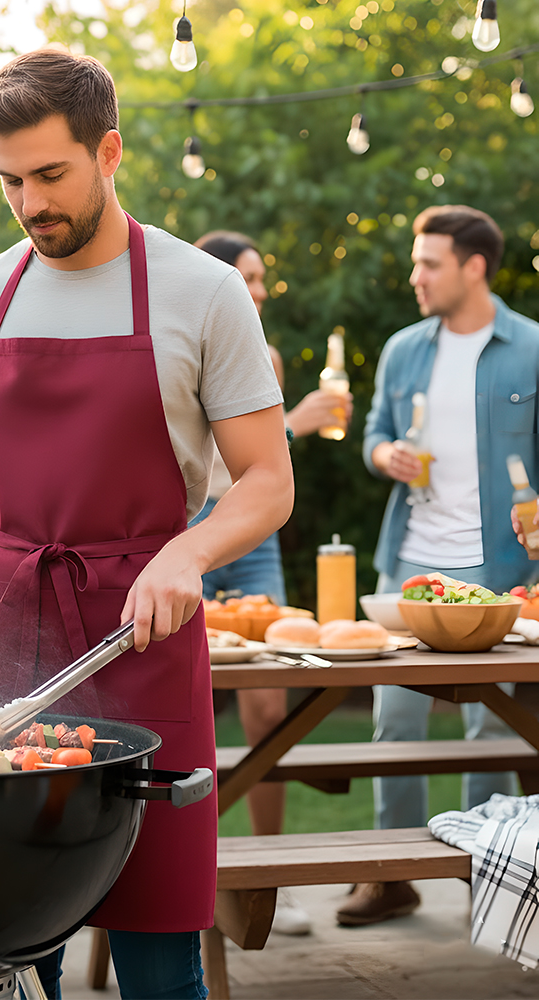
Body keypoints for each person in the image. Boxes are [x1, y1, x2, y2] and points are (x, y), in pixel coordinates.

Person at [0, 49, 293, 1000]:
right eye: (10, 180)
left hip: (142, 628)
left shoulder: (202, 292)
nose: (30, 203)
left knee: (157, 942)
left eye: (50, 174)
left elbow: (266, 480)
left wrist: (189, 551)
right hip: (1, 626)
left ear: (109, 152)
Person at [346, 204, 539, 927]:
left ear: (474, 267)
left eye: (429, 263)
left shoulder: (532, 348)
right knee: (394, 720)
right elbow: (374, 433)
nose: (416, 276)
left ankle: (483, 876)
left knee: (491, 728)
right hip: (411, 562)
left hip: (499, 567)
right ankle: (391, 875)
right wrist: (382, 454)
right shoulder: (403, 350)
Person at [192, 231, 353, 937]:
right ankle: (188, 868)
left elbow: (260, 464)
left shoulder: (271, 357)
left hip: (252, 543)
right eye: (248, 278)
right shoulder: (183, 341)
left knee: (268, 706)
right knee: (189, 702)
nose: (259, 291)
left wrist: (293, 427)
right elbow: (201, 456)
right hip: (193, 534)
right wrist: (295, 422)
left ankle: (269, 880)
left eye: (260, 279)